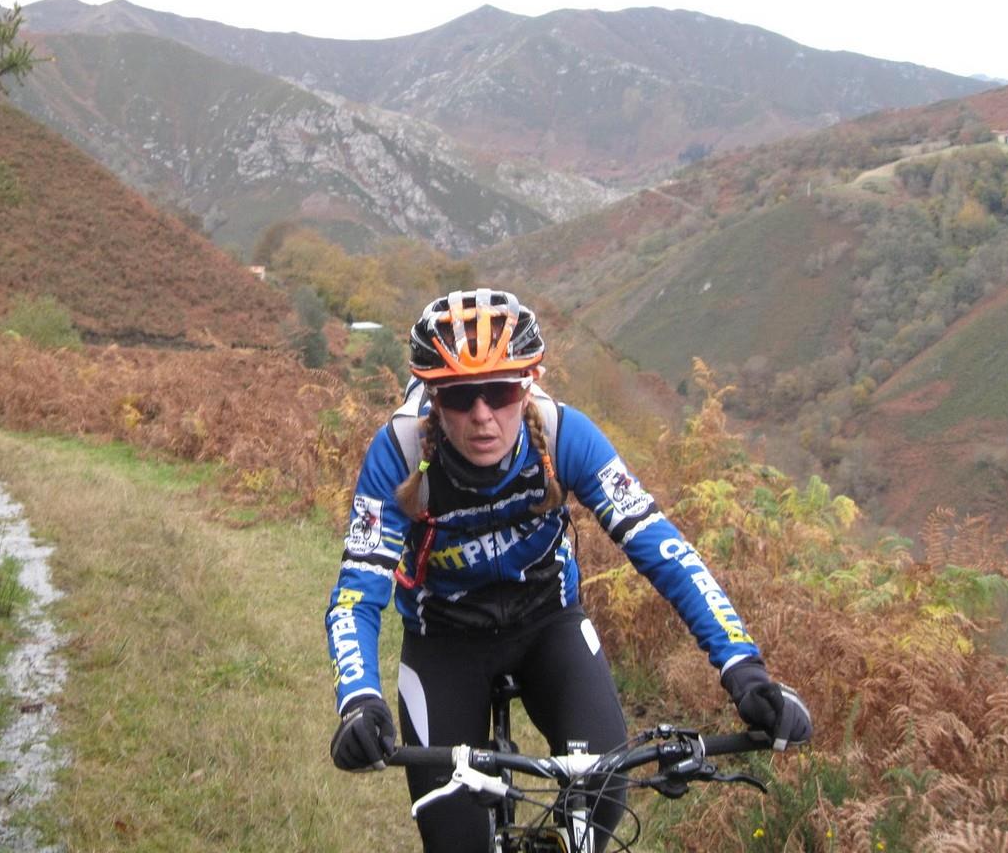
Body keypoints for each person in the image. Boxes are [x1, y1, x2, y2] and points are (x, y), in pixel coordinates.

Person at [324, 288, 811, 852]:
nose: (482, 415)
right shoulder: (400, 453)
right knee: (454, 840)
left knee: (604, 795)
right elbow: (356, 594)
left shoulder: (563, 435)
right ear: (433, 396)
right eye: (459, 396)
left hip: (548, 625)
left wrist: (744, 669)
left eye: (501, 391)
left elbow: (666, 552)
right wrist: (359, 700)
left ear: (528, 384)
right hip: (444, 643)